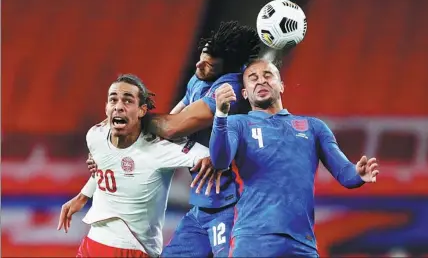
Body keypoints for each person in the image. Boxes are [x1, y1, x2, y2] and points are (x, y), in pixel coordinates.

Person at [85, 21, 262, 257]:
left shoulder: (229, 87)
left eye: (209, 64)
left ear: (226, 68)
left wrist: (130, 118)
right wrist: (113, 144)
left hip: (237, 202)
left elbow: (172, 127)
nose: (199, 64)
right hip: (204, 204)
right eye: (202, 56)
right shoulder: (200, 79)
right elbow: (167, 121)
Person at [209, 59, 380, 257]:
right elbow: (220, 161)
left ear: (281, 86)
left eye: (268, 75)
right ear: (245, 93)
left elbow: (345, 174)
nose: (260, 81)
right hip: (253, 238)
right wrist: (220, 115)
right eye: (253, 78)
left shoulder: (314, 127)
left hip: (302, 243)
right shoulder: (236, 124)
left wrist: (358, 173)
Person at [57, 74, 211, 257]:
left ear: (141, 110)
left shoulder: (160, 148)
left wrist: (210, 158)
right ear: (106, 107)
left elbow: (209, 156)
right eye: (113, 100)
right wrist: (83, 196)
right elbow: (105, 163)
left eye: (127, 101)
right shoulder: (95, 135)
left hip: (133, 248)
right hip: (93, 241)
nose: (118, 106)